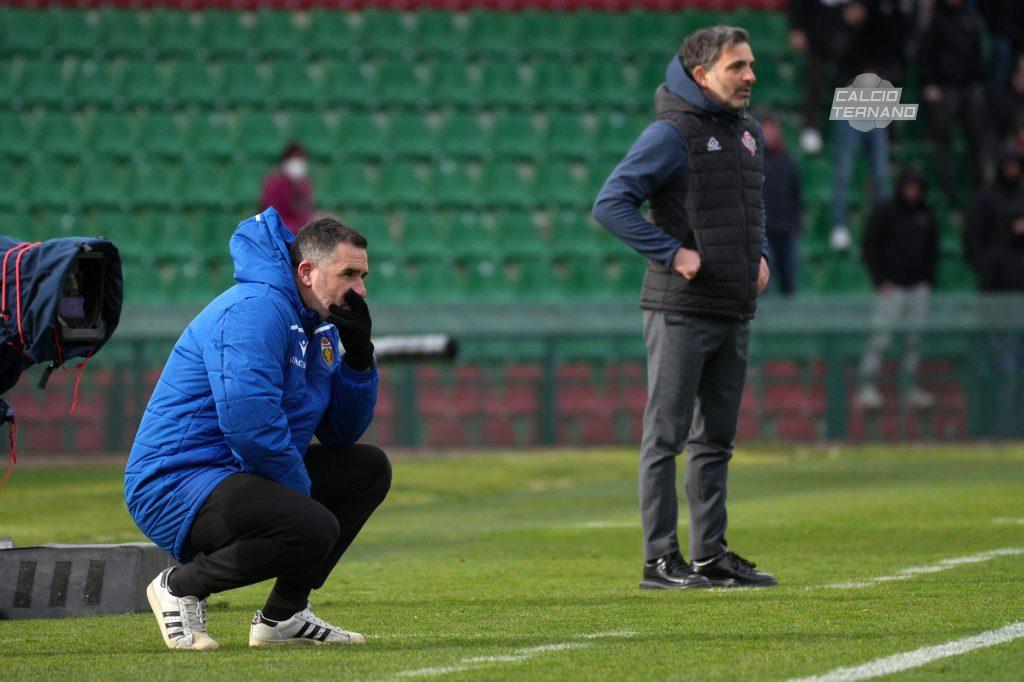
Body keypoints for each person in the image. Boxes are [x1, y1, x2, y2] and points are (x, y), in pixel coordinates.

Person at [125, 208, 388, 650]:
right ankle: (179, 587)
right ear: (307, 272)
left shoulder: (319, 327)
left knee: (368, 469)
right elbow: (249, 423)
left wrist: (359, 357)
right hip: (175, 481)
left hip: (233, 472)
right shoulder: (255, 310)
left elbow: (341, 434)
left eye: (363, 276)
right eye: (349, 274)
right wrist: (300, 498)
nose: (360, 290)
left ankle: (283, 617)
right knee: (313, 525)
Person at [592, 26, 776, 590]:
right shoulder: (670, 133)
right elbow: (611, 203)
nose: (750, 76)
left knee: (715, 440)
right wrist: (672, 253)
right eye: (736, 66)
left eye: (750, 65)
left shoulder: (747, 132)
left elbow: (752, 206)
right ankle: (659, 559)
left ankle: (709, 554)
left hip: (733, 306)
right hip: (680, 311)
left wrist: (762, 253)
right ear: (701, 74)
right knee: (665, 438)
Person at [856, 169, 939, 411]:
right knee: (880, 338)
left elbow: (933, 250)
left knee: (913, 340)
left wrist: (928, 280)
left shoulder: (926, 214)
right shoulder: (885, 211)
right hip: (890, 288)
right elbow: (869, 246)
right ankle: (866, 387)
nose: (912, 192)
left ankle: (908, 388)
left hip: (918, 289)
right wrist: (880, 280)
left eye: (916, 187)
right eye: (909, 186)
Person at [919, 0, 991, 207]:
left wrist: (979, 78)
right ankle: (948, 191)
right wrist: (930, 83)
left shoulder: (971, 18)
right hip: (946, 87)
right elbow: (926, 54)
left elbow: (979, 52)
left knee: (976, 138)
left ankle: (979, 189)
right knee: (943, 141)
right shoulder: (938, 21)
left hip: (970, 86)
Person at [965, 147, 1024, 280]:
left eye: (1015, 166)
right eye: (1008, 166)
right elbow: (973, 235)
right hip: (994, 272)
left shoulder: (1021, 196)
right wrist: (982, 265)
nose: (1012, 170)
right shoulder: (984, 198)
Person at [761, 113, 803, 296]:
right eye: (766, 128)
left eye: (773, 128)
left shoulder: (788, 160)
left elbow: (796, 194)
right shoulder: (755, 160)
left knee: (790, 284)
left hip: (787, 231)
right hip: (765, 232)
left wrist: (796, 224)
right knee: (765, 284)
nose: (770, 133)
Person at [260, 142, 314, 234]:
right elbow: (271, 217)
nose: (298, 164)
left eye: (301, 159)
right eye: (294, 159)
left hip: (299, 231)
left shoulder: (304, 184)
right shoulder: (274, 183)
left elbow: (305, 213)